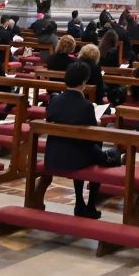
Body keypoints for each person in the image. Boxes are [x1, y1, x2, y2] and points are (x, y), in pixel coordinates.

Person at [45, 60, 107, 218]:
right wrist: (97, 122)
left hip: (53, 154)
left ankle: (80, 202)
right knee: (99, 155)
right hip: (75, 158)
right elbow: (91, 137)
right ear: (84, 82)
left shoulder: (55, 100)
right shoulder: (86, 106)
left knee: (82, 147)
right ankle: (90, 205)